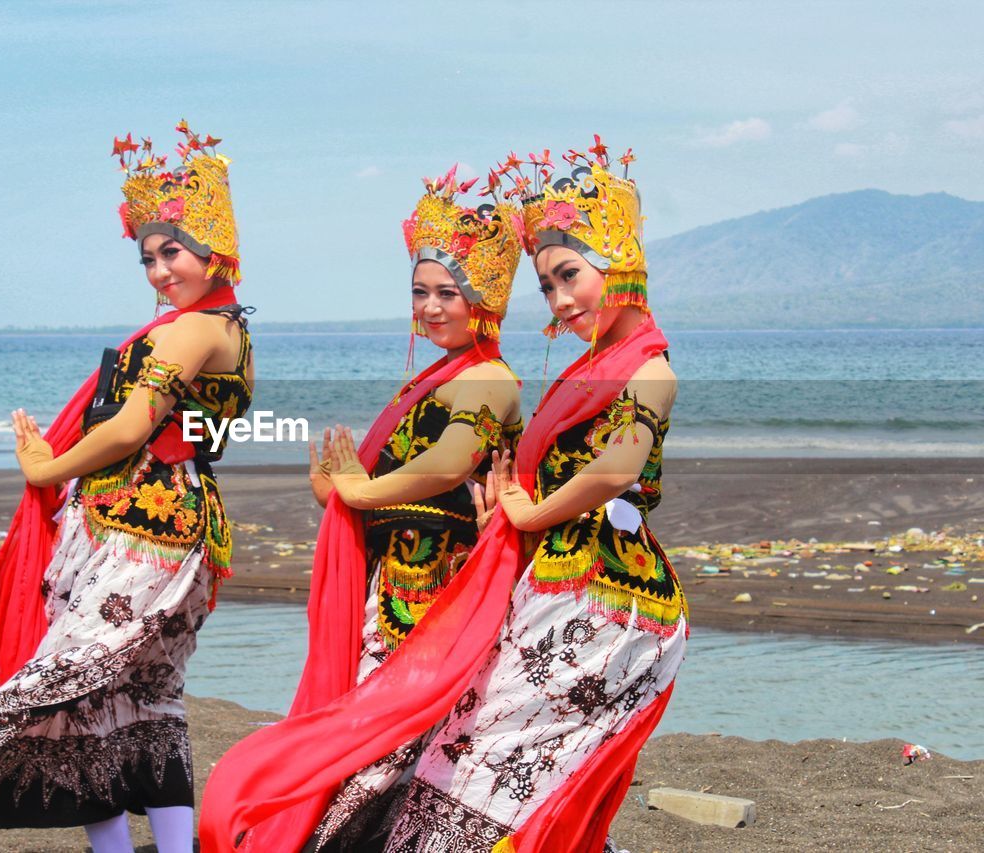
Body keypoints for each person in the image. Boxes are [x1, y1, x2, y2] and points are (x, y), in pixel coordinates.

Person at [0, 121, 252, 853]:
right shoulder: (223, 326)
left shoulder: (192, 331)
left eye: (174, 251)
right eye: (149, 258)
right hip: (166, 527)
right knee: (142, 703)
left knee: (72, 689)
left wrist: (46, 467)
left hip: (147, 532)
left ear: (213, 247)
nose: (162, 270)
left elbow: (133, 427)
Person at [200, 166, 524, 852]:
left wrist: (356, 490)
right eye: (420, 293)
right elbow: (400, 489)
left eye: (448, 293)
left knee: (397, 747)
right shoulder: (431, 380)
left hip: (450, 595)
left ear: (484, 299)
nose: (432, 307)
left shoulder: (491, 381)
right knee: (370, 741)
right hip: (397, 591)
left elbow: (447, 464)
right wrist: (336, 491)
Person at [381, 138, 688, 853]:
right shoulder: (596, 366)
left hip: (609, 597)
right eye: (547, 284)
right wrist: (507, 513)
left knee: (503, 753)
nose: (558, 299)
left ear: (620, 260)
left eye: (569, 275)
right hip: (556, 581)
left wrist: (529, 512)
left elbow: (617, 468)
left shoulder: (650, 368)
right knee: (498, 752)